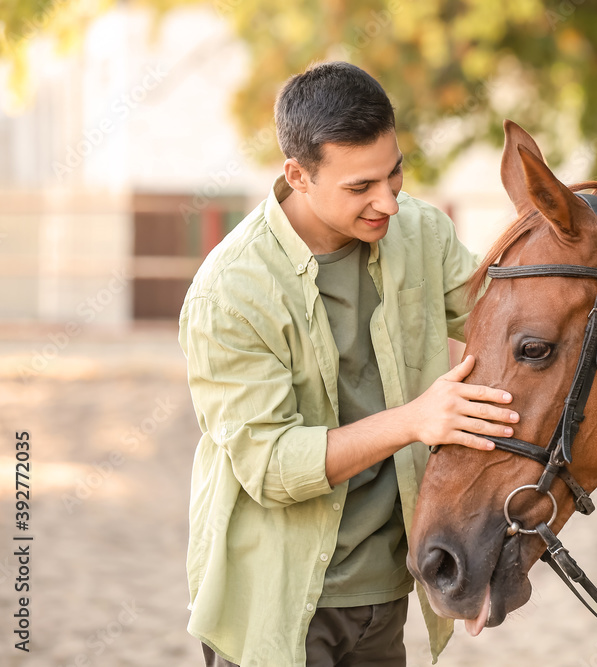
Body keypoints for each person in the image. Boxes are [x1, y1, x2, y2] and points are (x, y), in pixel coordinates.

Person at [178, 61, 518, 667]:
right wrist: (415, 420)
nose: (387, 200)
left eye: (395, 173)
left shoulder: (419, 231)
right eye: (361, 187)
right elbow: (273, 466)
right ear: (297, 176)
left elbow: (512, 330)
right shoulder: (228, 293)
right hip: (277, 602)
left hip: (385, 594)